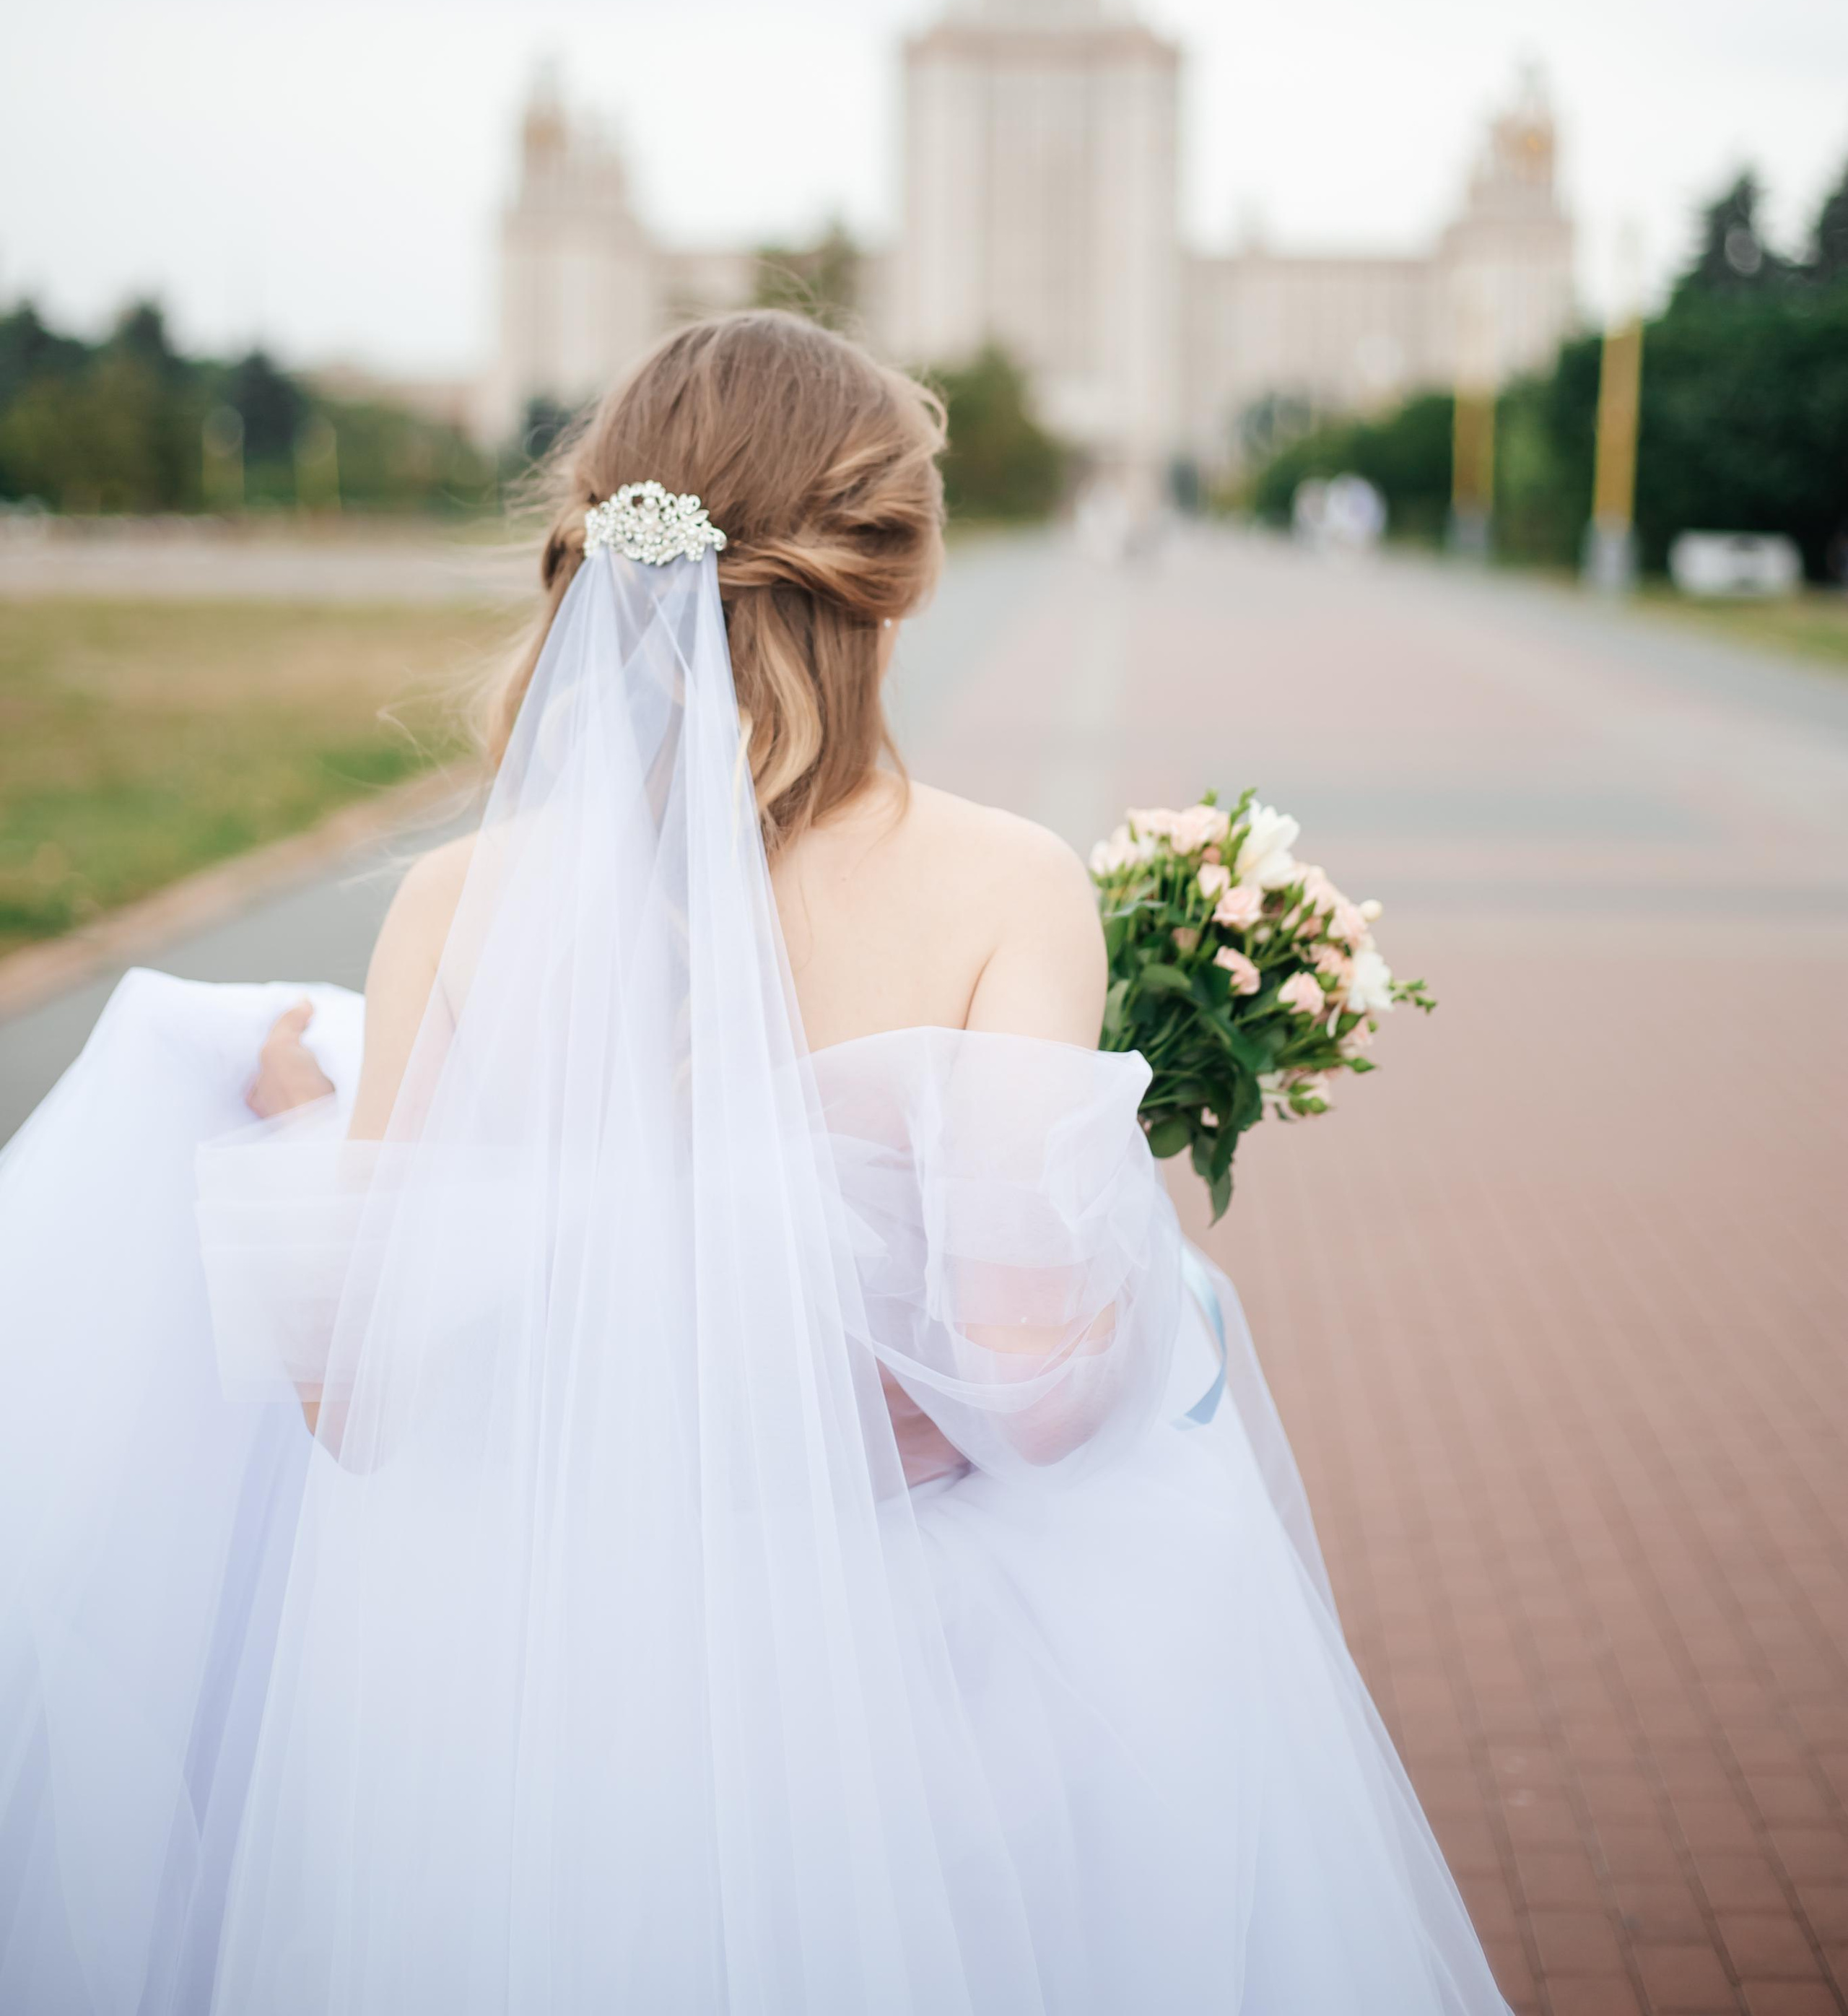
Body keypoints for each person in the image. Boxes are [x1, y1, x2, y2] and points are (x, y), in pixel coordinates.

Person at [0, 312, 1511, 2014]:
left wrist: (314, 1143)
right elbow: (1025, 1392)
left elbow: (353, 1402)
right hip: (903, 1683)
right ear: (901, 569)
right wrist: (1129, 1267)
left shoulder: (457, 901)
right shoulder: (1004, 887)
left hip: (534, 1680)